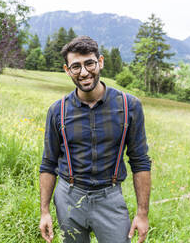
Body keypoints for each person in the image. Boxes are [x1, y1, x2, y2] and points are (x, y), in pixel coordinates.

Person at [39, 36, 151, 243]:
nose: (83, 72)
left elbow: (140, 161)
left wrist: (142, 214)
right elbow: (48, 163)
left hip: (109, 198)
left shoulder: (129, 106)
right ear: (67, 70)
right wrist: (45, 211)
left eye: (89, 63)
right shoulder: (57, 111)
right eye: (75, 66)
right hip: (68, 198)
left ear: (100, 62)